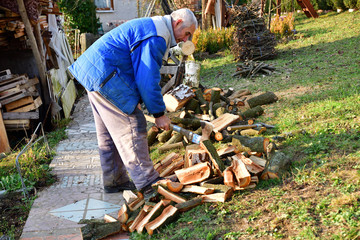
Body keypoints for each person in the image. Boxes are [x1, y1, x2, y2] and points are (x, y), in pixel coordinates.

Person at [68, 9, 198, 197]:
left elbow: (135, 67)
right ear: (177, 22)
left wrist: (135, 99)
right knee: (133, 123)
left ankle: (115, 180)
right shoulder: (158, 36)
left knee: (108, 133)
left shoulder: (154, 26)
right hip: (105, 75)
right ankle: (148, 182)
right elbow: (147, 78)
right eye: (187, 34)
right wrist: (159, 114)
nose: (186, 40)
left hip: (94, 72)